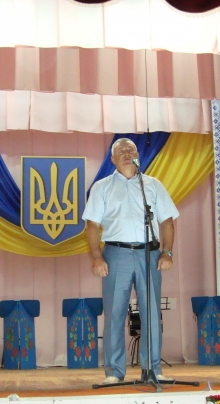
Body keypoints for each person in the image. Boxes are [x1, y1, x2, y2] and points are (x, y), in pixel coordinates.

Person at [83, 138, 178, 384]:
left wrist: (167, 252)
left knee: (151, 311)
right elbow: (91, 225)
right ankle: (114, 372)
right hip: (116, 254)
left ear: (138, 155)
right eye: (121, 151)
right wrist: (96, 257)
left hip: (149, 254)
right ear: (112, 159)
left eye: (131, 150)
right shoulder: (102, 187)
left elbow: (167, 220)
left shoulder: (152, 185)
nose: (127, 154)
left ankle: (152, 369)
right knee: (115, 313)